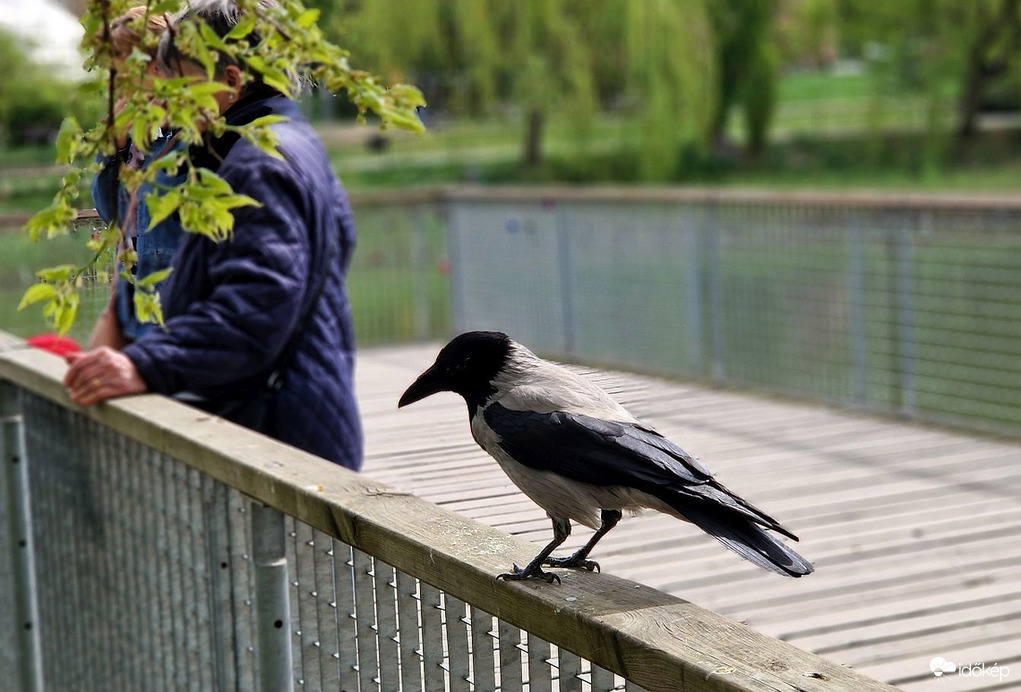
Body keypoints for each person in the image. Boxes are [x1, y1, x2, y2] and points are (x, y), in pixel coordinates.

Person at [64, 0, 363, 471]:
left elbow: (253, 312)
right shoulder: (273, 142)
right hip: (286, 413)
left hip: (278, 433)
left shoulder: (259, 164)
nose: (168, 95)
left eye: (179, 79)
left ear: (229, 81)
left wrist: (145, 363)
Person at [88, 6, 183, 350]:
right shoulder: (143, 141)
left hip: (179, 319)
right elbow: (111, 214)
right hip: (147, 318)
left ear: (158, 65)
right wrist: (112, 148)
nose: (120, 85)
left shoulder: (192, 138)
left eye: (125, 70)